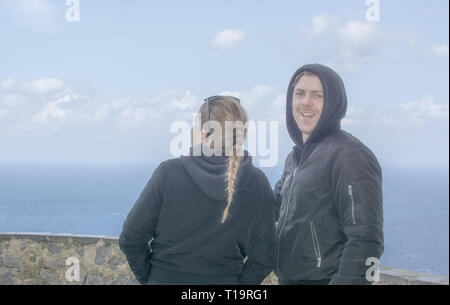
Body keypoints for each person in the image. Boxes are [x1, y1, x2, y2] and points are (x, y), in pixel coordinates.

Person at [119, 96, 276, 285]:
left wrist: (153, 279)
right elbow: (265, 258)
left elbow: (130, 239)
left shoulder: (169, 173)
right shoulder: (258, 183)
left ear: (203, 133)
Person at [274, 64, 384, 285]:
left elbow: (366, 239)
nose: (306, 102)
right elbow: (269, 208)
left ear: (334, 103)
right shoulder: (294, 158)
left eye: (318, 95)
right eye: (300, 94)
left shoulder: (350, 156)